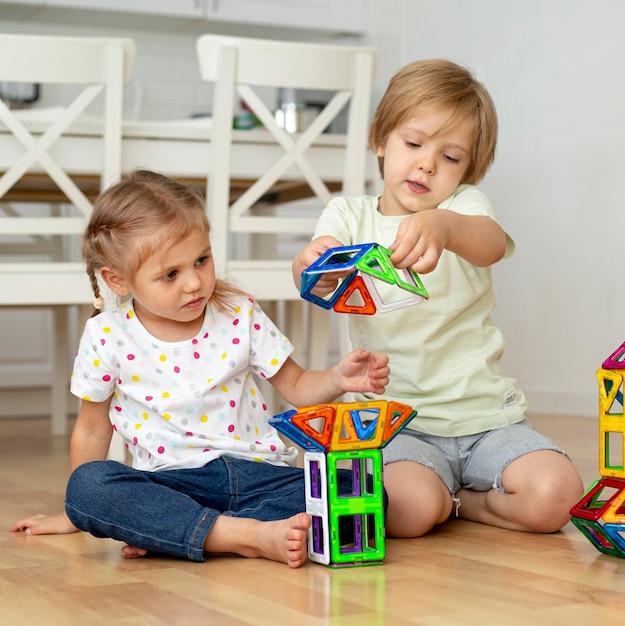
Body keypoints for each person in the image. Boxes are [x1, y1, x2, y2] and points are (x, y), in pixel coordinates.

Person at [10, 169, 390, 568]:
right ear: (117, 280)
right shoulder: (107, 335)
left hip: (260, 476)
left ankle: (185, 533)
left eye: (202, 260)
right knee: (88, 487)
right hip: (172, 483)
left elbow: (296, 385)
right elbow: (91, 428)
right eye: (170, 274)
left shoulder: (238, 312)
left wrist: (337, 379)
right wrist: (76, 513)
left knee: (369, 492)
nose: (194, 282)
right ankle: (244, 535)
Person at [292, 59, 584, 538]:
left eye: (450, 158)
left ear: (468, 170)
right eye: (413, 143)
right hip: (396, 426)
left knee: (558, 496)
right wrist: (312, 267)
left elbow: (489, 243)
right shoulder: (347, 214)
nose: (428, 164)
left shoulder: (463, 208)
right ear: (379, 140)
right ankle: (442, 499)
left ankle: (465, 504)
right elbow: (309, 267)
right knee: (405, 513)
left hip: (487, 418)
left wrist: (444, 227)